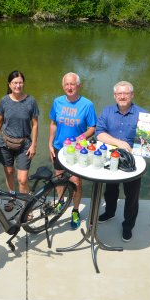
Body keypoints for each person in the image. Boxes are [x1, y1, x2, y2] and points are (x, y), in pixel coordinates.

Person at [96, 81, 149, 242]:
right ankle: (110, 212)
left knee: (132, 196)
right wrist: (118, 142)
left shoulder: (143, 114)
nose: (122, 96)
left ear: (132, 95)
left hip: (133, 162)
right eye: (119, 94)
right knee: (110, 190)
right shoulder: (107, 111)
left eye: (126, 93)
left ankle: (128, 226)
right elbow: (99, 133)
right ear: (114, 96)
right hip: (111, 157)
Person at [48, 72, 97, 230]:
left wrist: (79, 139)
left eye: (72, 84)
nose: (70, 87)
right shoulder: (57, 102)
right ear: (63, 86)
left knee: (76, 181)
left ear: (79, 86)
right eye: (67, 84)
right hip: (59, 147)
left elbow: (92, 128)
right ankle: (61, 201)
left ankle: (75, 210)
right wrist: (50, 143)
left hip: (78, 149)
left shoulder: (87, 104)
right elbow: (53, 123)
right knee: (59, 176)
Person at [0, 71, 39, 213]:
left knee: (22, 179)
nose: (18, 85)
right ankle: (12, 197)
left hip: (24, 145)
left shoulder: (31, 101)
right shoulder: (4, 100)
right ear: (9, 84)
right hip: (5, 143)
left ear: (23, 83)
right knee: (9, 172)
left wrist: (34, 144)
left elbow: (35, 124)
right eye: (15, 83)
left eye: (20, 82)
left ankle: (25, 207)